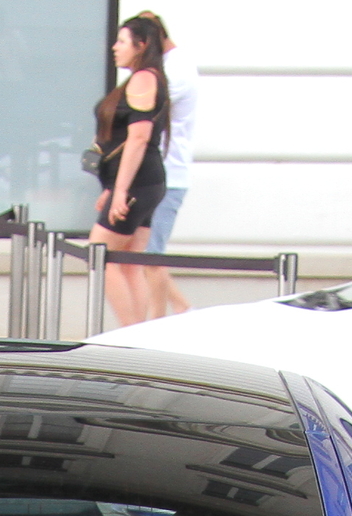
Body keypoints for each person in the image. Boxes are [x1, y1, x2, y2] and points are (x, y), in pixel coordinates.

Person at [89, 14, 170, 329]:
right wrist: (112, 185)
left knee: (101, 255)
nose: (114, 47)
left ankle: (130, 332)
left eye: (122, 41)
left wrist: (121, 189)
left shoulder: (143, 79)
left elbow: (138, 138)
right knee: (128, 264)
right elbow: (125, 141)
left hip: (139, 183)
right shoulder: (146, 78)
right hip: (142, 182)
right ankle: (138, 333)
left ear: (142, 45)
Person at [137, 11, 196, 317]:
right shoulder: (168, 68)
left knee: (150, 255)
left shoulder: (176, 71)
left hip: (168, 175)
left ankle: (159, 320)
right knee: (145, 252)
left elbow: (147, 109)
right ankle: (178, 306)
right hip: (160, 174)